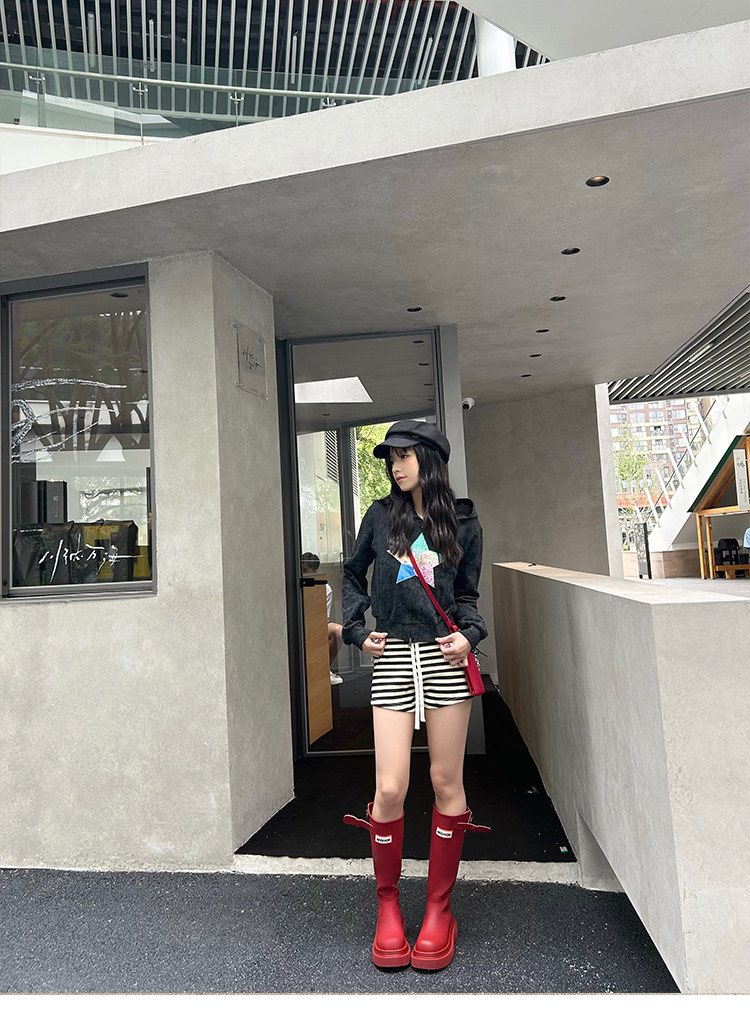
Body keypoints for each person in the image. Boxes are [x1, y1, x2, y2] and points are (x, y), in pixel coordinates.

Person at [341, 420, 490, 971]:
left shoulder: (464, 523)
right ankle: (388, 905)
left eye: (404, 455)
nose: (395, 465)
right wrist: (357, 630)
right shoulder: (381, 517)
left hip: (445, 658)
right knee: (390, 787)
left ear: (430, 459)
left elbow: (468, 597)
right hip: (395, 657)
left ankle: (437, 910)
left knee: (447, 782)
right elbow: (352, 576)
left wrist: (469, 635)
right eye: (390, 458)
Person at [301, 552, 344, 685]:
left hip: (315, 624)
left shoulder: (325, 588)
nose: (303, 573)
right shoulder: (294, 584)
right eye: (301, 569)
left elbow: (323, 619)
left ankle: (324, 668)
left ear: (314, 571)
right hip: (297, 623)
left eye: (306, 570)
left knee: (339, 632)